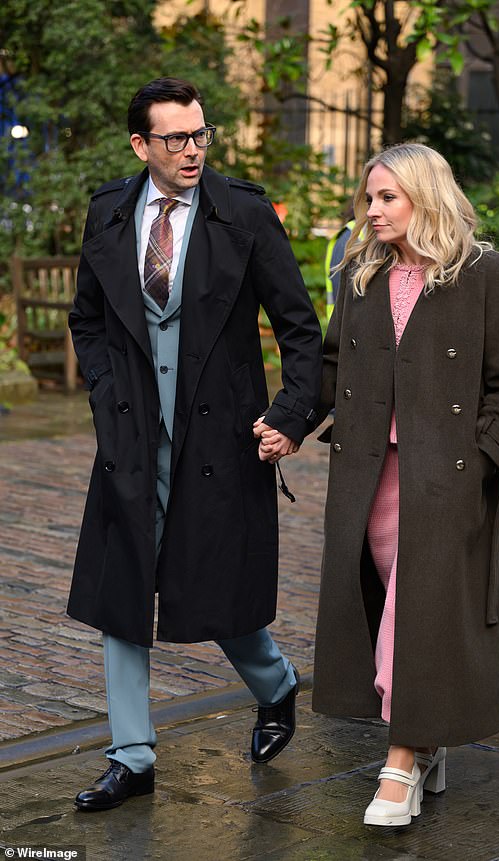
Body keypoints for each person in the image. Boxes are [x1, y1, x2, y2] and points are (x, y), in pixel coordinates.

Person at [66, 77, 322, 811]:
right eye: (175, 138)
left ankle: (276, 684)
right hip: (132, 437)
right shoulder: (110, 213)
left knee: (216, 594)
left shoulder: (242, 212)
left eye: (200, 134)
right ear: (141, 144)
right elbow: (88, 317)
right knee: (124, 589)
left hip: (222, 437)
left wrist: (290, 414)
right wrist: (108, 393)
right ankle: (132, 754)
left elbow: (300, 327)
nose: (192, 150)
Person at [310, 142, 499, 827]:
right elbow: (326, 364)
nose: (372, 211)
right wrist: (286, 423)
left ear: (423, 197)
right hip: (372, 470)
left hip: (452, 476)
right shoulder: (362, 274)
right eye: (369, 198)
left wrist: (483, 460)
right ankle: (428, 736)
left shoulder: (485, 273)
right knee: (401, 606)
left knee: (420, 604)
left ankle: (400, 763)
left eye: (387, 198)